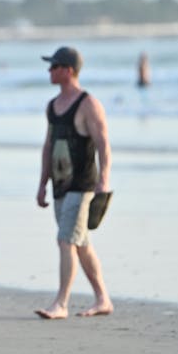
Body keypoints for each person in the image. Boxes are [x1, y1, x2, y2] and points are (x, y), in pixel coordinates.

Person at [35, 47, 113, 319]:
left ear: (68, 70)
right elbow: (48, 146)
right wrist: (42, 183)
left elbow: (103, 144)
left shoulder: (88, 103)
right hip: (59, 184)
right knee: (80, 243)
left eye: (54, 66)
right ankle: (103, 299)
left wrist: (104, 180)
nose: (49, 71)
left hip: (83, 184)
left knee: (65, 240)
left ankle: (61, 303)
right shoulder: (52, 106)